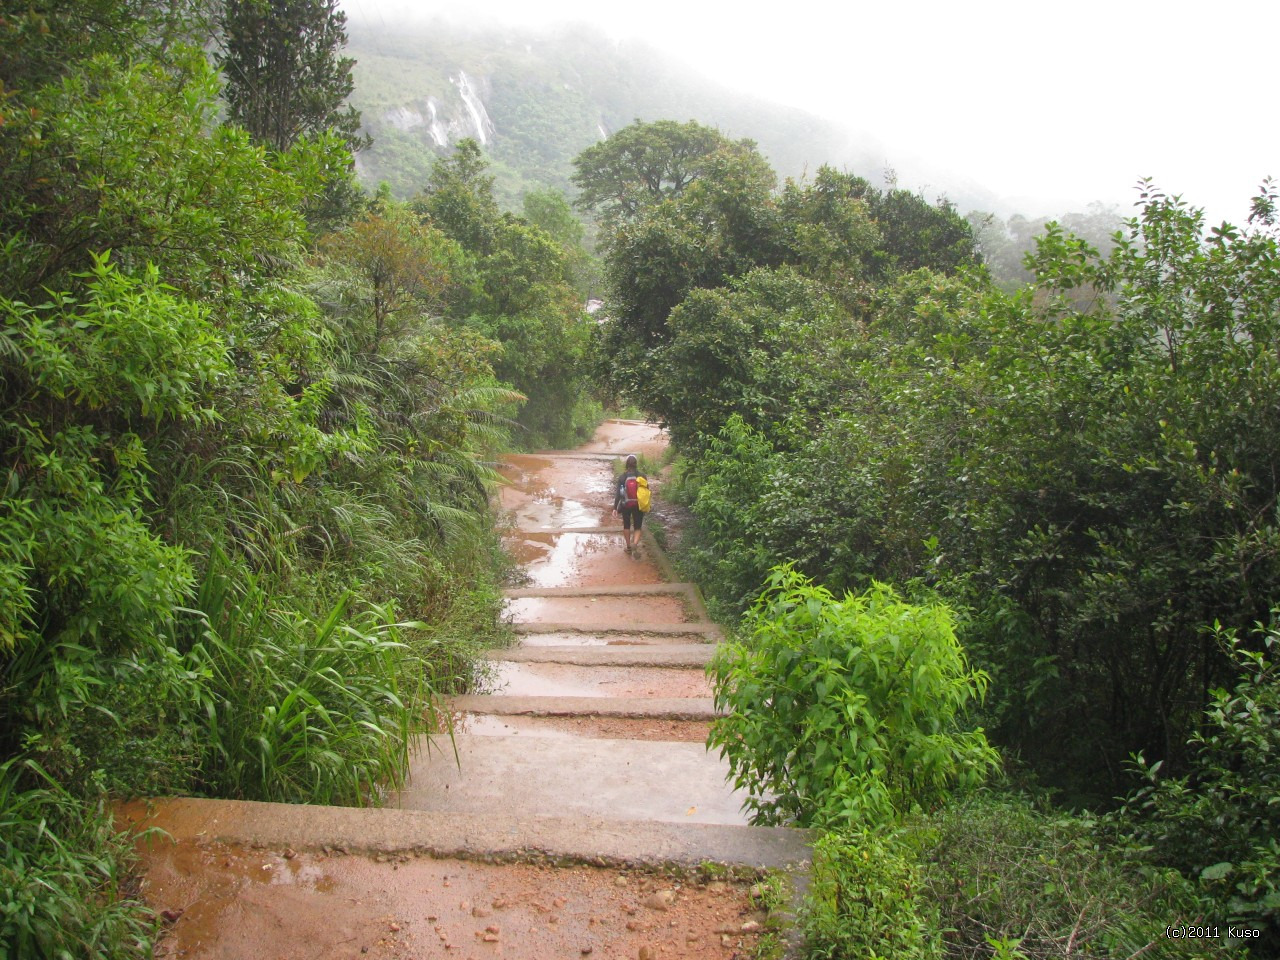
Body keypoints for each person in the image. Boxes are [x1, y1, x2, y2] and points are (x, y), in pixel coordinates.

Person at [612, 454, 646, 552]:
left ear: (626, 464)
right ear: (636, 464)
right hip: (638, 505)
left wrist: (615, 508)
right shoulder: (642, 476)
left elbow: (618, 494)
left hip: (626, 505)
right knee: (637, 526)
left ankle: (628, 547)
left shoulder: (622, 477)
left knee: (626, 525)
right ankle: (635, 544)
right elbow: (646, 492)